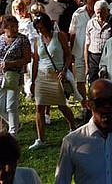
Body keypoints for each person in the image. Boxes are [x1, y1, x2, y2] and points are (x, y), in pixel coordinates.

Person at [29, 14, 78, 150]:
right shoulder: (37, 40)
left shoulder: (59, 36)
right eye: (38, 28)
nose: (40, 31)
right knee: (39, 106)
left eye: (42, 27)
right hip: (41, 76)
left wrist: (64, 69)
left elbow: (68, 54)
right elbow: (36, 61)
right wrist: (33, 81)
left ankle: (73, 128)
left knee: (62, 105)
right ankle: (40, 139)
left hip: (57, 75)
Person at [0, 15, 31, 138]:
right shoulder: (1, 39)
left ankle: (13, 135)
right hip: (1, 77)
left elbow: (27, 58)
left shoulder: (22, 40)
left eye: (16, 26)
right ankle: (15, 124)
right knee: (1, 107)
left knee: (11, 106)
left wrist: (11, 64)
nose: (14, 29)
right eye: (11, 27)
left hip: (14, 76)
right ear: (5, 28)